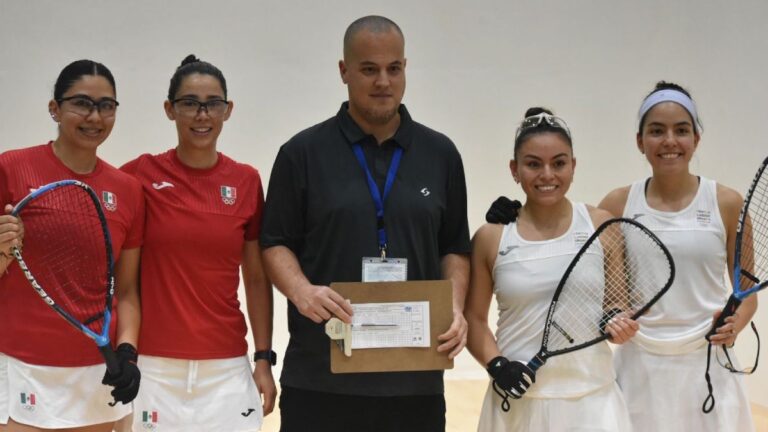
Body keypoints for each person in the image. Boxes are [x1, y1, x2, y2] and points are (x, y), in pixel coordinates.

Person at [260, 15, 470, 432]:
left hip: (415, 382)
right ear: (344, 71)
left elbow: (455, 248)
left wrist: (456, 309)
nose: (383, 82)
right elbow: (274, 243)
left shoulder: (441, 153)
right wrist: (301, 291)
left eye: (394, 68)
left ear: (405, 68)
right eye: (369, 69)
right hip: (320, 379)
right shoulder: (302, 153)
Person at [119, 55, 275, 432]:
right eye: (189, 103)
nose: (202, 115)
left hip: (227, 369)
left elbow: (256, 279)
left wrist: (264, 359)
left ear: (228, 110)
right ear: (170, 110)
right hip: (152, 368)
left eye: (213, 104)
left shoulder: (246, 181)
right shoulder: (137, 176)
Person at [466, 107, 637, 431]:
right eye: (533, 164)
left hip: (594, 402)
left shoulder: (601, 225)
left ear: (573, 166)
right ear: (515, 170)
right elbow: (473, 319)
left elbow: (617, 305)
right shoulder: (491, 237)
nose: (547, 174)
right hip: (517, 404)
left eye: (559, 163)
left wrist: (618, 323)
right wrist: (498, 365)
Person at [598, 81, 756, 431]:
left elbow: (747, 295)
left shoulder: (728, 203)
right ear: (640, 141)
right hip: (639, 366)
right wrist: (613, 319)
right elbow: (611, 296)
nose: (669, 141)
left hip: (710, 364)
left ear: (696, 139)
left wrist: (735, 323)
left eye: (681, 130)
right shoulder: (616, 205)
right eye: (656, 131)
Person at [0, 60, 144, 431]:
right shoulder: (11, 168)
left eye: (106, 106)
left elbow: (126, 290)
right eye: (81, 103)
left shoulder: (127, 190)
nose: (94, 116)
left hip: (96, 370)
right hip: (20, 365)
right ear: (54, 108)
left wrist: (127, 352)